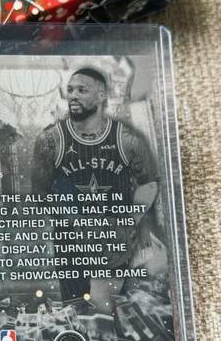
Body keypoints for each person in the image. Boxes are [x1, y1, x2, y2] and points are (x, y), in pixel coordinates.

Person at [32, 66, 158, 314]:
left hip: (114, 243)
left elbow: (149, 183)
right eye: (70, 90)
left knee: (109, 314)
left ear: (101, 96)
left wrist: (131, 219)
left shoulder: (127, 139)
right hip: (71, 243)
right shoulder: (50, 140)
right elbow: (40, 194)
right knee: (76, 313)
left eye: (82, 90)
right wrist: (74, 219)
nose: (73, 95)